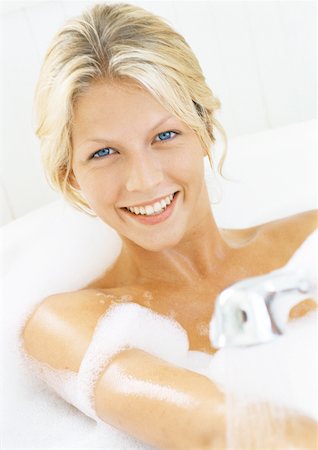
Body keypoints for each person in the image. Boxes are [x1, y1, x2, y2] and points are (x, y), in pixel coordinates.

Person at [21, 2, 317, 449]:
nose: (144, 180)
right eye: (104, 153)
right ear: (69, 174)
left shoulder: (307, 246)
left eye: (164, 136)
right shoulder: (69, 323)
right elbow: (215, 427)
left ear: (204, 129)